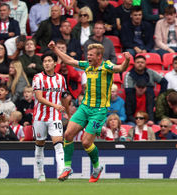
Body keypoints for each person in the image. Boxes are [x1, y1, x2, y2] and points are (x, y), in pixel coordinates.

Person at [48, 41, 131, 182]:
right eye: (88, 54)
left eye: (91, 55)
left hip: (99, 111)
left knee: (86, 142)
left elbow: (121, 68)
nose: (88, 57)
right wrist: (55, 49)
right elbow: (69, 60)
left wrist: (127, 60)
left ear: (99, 56)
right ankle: (67, 168)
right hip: (85, 107)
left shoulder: (107, 66)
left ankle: (97, 167)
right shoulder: (87, 66)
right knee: (67, 134)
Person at [32, 51, 70, 182]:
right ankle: (41, 173)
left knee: (59, 144)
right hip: (39, 117)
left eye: (49, 61)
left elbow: (64, 96)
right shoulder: (38, 78)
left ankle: (61, 173)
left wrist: (68, 113)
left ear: (55, 63)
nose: (47, 63)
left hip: (55, 117)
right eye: (44, 61)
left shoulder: (61, 79)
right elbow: (39, 97)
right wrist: (55, 105)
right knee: (39, 145)